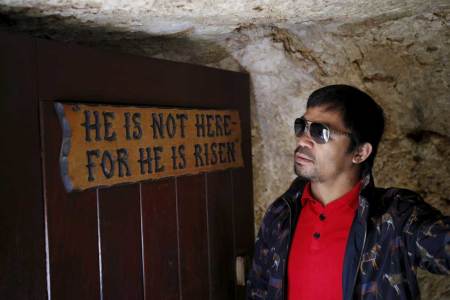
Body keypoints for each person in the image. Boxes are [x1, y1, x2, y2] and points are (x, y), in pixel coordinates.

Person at [246, 85, 449, 300]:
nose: (303, 139)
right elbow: (257, 291)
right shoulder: (281, 213)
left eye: (319, 132)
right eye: (301, 126)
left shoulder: (397, 216)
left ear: (360, 152)